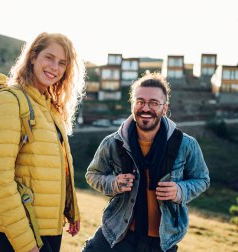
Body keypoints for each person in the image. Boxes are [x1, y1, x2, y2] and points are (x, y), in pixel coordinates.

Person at [83, 72, 210, 252]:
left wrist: (180, 190)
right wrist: (114, 183)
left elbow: (202, 179)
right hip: (118, 231)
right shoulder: (113, 142)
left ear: (164, 108)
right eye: (140, 101)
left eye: (154, 103)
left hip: (162, 240)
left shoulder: (185, 144)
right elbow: (92, 174)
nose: (146, 108)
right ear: (133, 104)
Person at [0, 32, 85, 252]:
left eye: (62, 63)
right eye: (49, 57)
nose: (54, 67)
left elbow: (58, 166)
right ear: (33, 57)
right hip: (21, 231)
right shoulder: (8, 102)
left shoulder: (50, 108)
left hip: (49, 228)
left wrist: (70, 210)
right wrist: (26, 244)